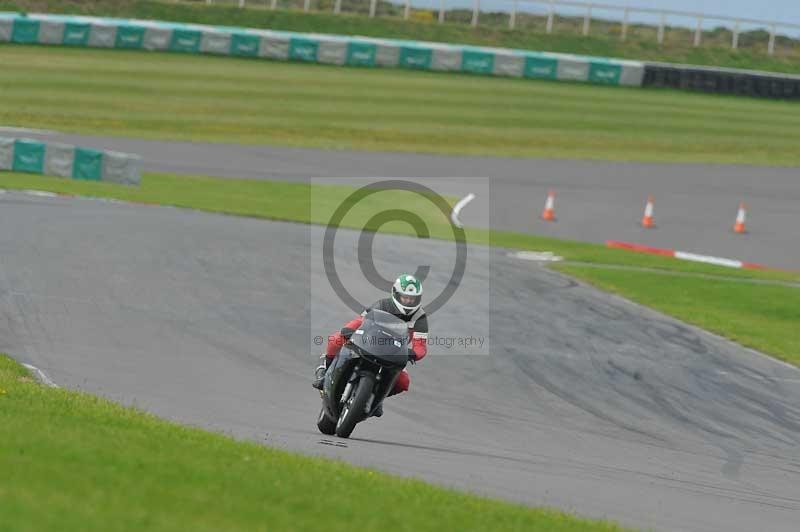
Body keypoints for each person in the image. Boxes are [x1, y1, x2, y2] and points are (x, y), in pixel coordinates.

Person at [312, 274, 429, 417]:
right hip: (369, 342)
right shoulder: (381, 305)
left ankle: (377, 399)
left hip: (394, 351)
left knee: (403, 382)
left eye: (413, 299)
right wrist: (348, 330)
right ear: (396, 294)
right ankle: (325, 373)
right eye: (405, 297)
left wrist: (414, 354)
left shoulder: (420, 318)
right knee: (335, 339)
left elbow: (420, 345)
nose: (409, 301)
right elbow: (360, 321)